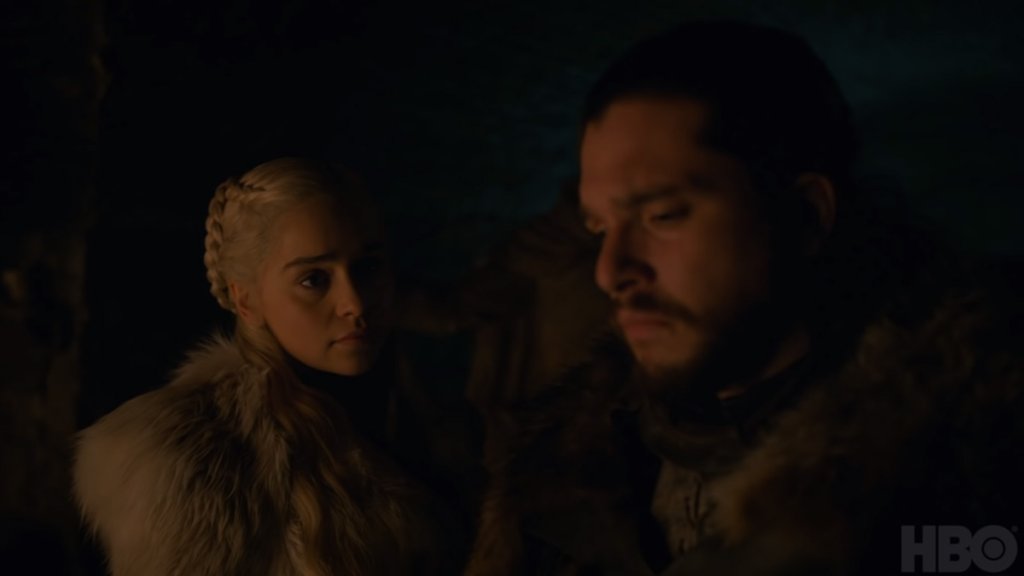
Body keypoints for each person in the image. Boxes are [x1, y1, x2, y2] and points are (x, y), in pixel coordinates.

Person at [465, 20, 1024, 575]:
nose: (610, 271)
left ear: (805, 215)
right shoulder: (556, 488)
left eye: (663, 215)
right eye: (600, 230)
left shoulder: (971, 485)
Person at [72, 157, 473, 575]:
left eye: (367, 267)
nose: (355, 304)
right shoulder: (190, 458)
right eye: (313, 279)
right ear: (245, 300)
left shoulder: (423, 416)